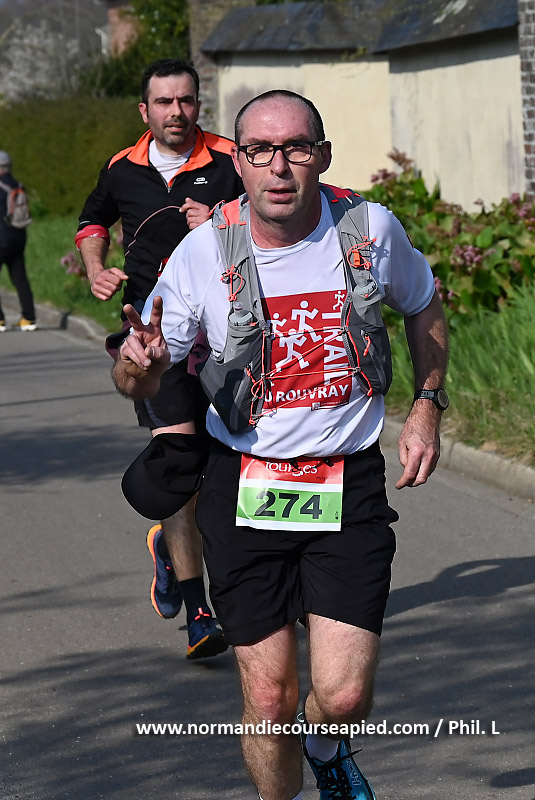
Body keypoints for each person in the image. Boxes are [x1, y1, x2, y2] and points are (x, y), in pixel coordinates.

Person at [112, 90, 449, 800]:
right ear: (236, 161)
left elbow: (422, 301)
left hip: (347, 485)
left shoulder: (367, 229)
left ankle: (325, 745)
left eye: (296, 147)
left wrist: (426, 405)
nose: (279, 166)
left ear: (320, 156)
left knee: (344, 696)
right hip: (242, 483)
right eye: (260, 150)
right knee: (269, 699)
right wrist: (139, 367)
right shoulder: (203, 252)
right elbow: (140, 377)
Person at [76, 59, 243, 660]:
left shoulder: (232, 160)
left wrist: (223, 221)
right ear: (144, 111)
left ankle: (199, 563)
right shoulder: (123, 167)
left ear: (199, 105)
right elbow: (92, 221)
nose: (177, 112)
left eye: (186, 101)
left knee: (229, 465)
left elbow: (278, 220)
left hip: (228, 336)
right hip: (157, 337)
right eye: (164, 102)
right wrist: (96, 268)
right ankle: (199, 612)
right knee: (179, 462)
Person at [0, 151, 36, 332]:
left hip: (1, 237)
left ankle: (0, 320)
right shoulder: (17, 185)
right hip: (19, 237)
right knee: (20, 277)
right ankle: (28, 319)